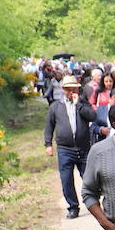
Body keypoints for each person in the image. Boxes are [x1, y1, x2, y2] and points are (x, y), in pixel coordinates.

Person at [44, 75, 97, 219]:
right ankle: (73, 207)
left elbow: (93, 117)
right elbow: (49, 126)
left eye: (74, 89)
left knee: (88, 178)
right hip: (65, 149)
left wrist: (78, 104)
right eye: (68, 89)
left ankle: (93, 203)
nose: (71, 92)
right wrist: (48, 144)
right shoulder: (56, 106)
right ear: (63, 90)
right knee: (66, 179)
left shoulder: (83, 104)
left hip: (83, 147)